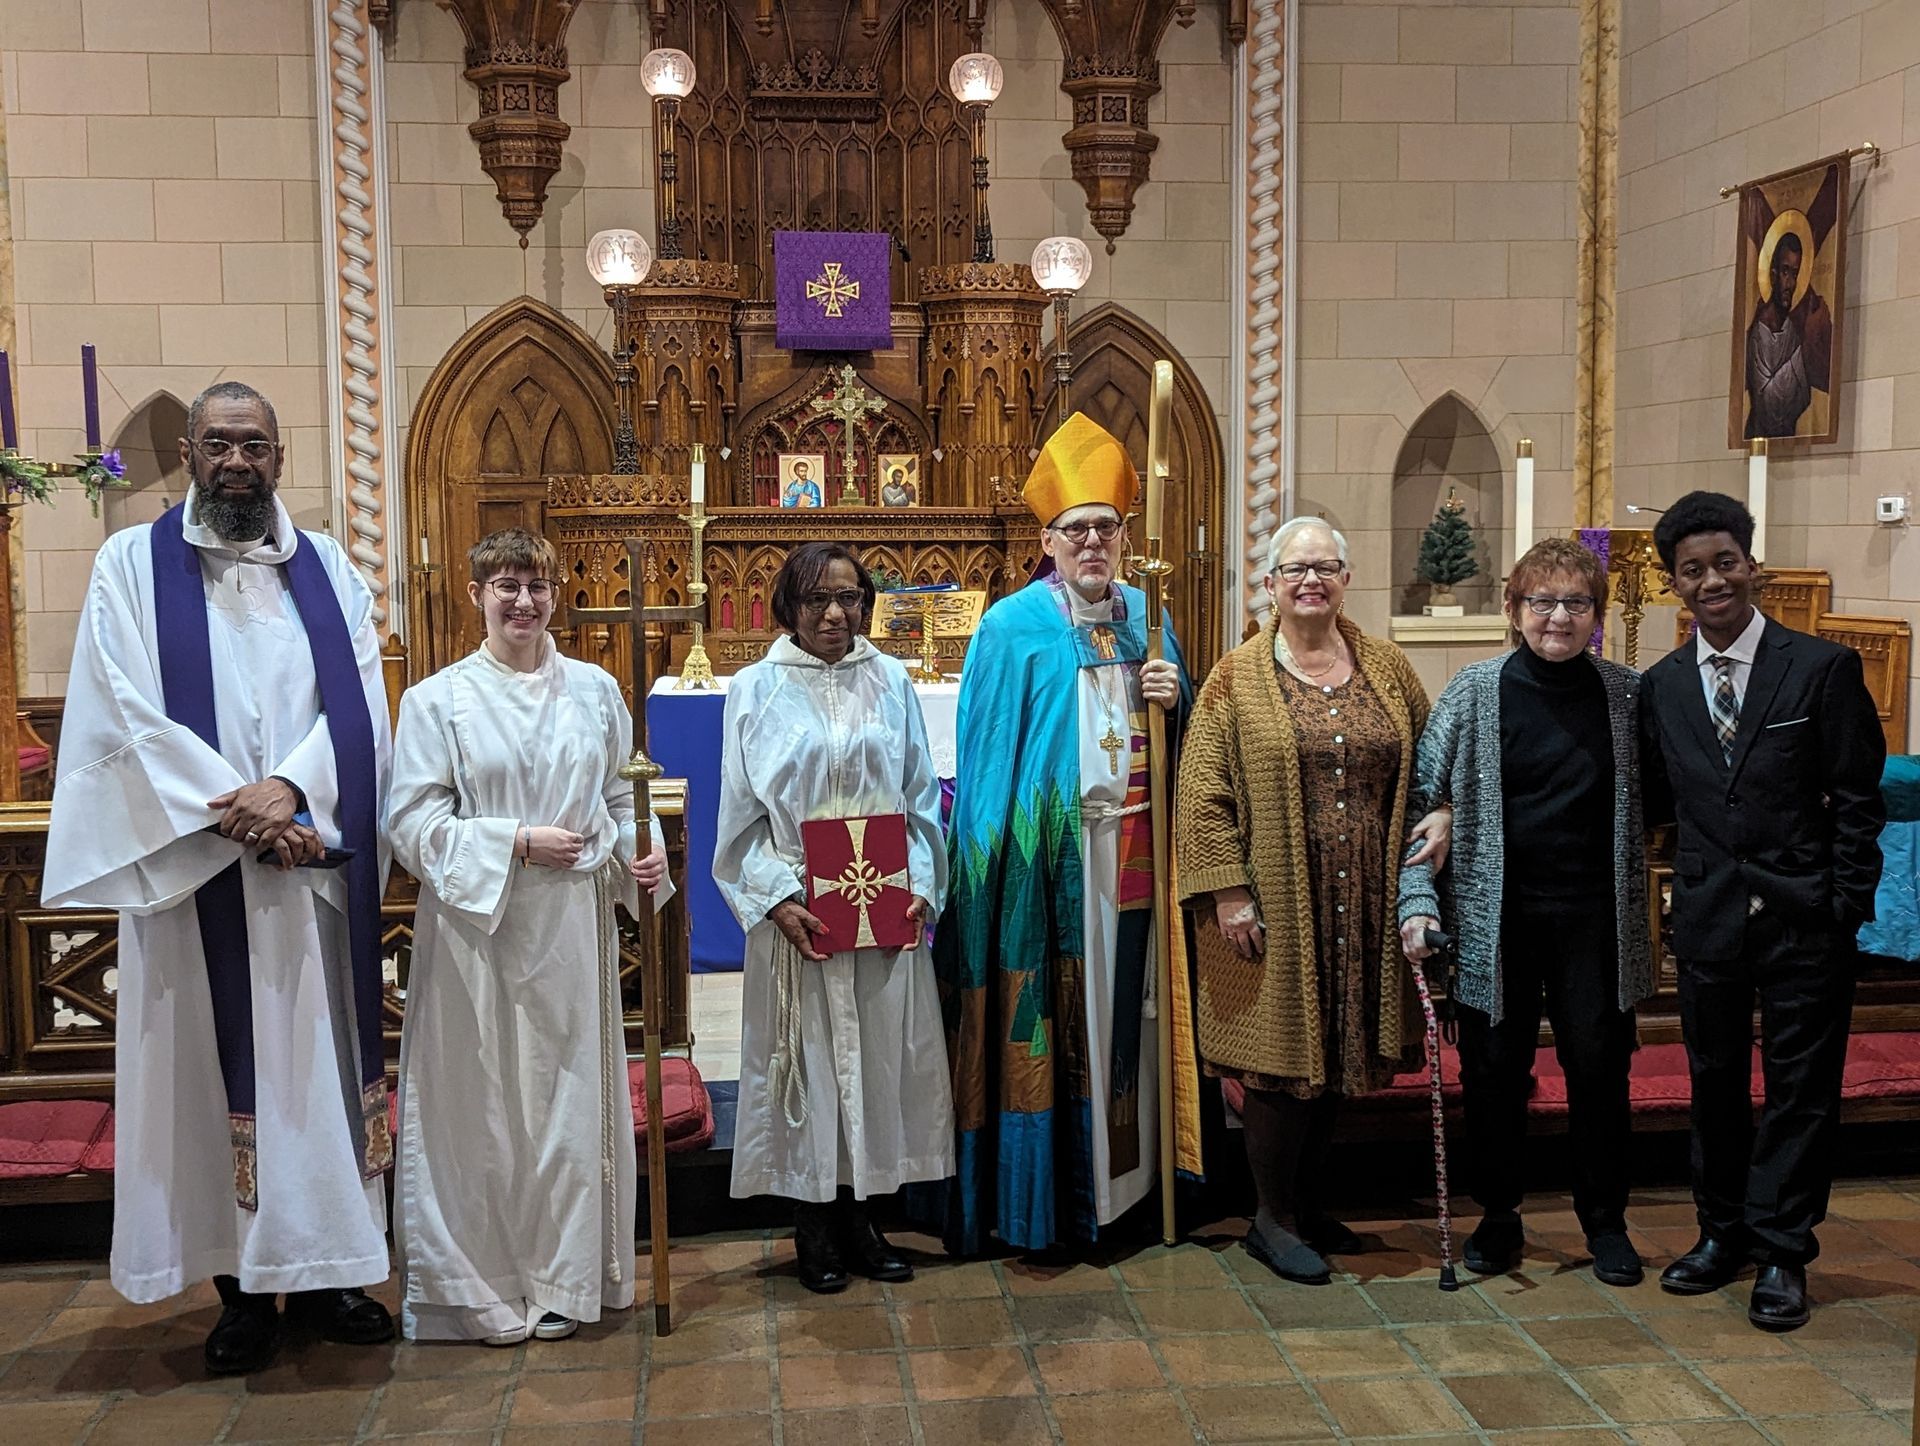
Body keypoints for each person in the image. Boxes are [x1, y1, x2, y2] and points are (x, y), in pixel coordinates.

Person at [42, 380, 394, 1374]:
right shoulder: (131, 569)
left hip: (307, 879)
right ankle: (239, 1291)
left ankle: (330, 1273)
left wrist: (290, 792)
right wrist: (234, 812)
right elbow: (122, 712)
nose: (238, 463)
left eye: (255, 446)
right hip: (198, 881)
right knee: (209, 1084)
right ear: (190, 454)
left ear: (280, 457)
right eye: (219, 445)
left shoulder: (328, 570)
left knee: (314, 1081)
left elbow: (362, 705)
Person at [386, 528, 673, 1345]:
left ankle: (565, 1276)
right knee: (482, 1108)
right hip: (480, 934)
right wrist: (514, 841)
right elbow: (410, 820)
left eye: (537, 585)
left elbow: (622, 803)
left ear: (556, 595)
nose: (523, 601)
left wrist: (640, 855)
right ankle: (480, 1285)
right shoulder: (437, 700)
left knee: (566, 1107)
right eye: (505, 585)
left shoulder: (595, 691)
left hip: (571, 933)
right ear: (475, 594)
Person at [935, 413, 1196, 1255]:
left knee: (1137, 1012)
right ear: (1045, 539)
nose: (1093, 543)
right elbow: (984, 761)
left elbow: (1190, 741)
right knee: (1055, 1015)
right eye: (1075, 529)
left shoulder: (1150, 616)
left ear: (1124, 535)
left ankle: (1134, 1189)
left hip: (1137, 851)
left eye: (1106, 528)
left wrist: (1174, 694)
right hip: (1051, 862)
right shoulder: (1011, 628)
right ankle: (1053, 1199)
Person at [1176, 517, 1446, 1285]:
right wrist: (1229, 891)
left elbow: (1427, 763)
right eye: (1294, 570)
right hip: (1273, 901)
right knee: (1279, 1061)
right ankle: (1272, 1217)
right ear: (1269, 585)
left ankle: (1307, 1201)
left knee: (1338, 1048)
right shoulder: (1235, 677)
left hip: (1364, 896)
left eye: (1325, 567)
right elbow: (1203, 796)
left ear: (1345, 579)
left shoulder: (1387, 668)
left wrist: (1445, 814)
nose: (1310, 581)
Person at [1640, 491, 1885, 1331]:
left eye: (1725, 563)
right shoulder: (1662, 686)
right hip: (1709, 916)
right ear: (1674, 584)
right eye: (1692, 570)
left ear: (1752, 564)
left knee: (1800, 1089)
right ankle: (1723, 1235)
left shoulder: (1820, 668)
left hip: (1804, 916)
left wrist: (1845, 904)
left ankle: (1783, 1250)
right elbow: (1653, 800)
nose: (1712, 581)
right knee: (1712, 1082)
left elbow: (1858, 798)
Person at [1399, 537, 1652, 1287]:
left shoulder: (1629, 695)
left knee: (1601, 1074)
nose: (1558, 618)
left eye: (1576, 603)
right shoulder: (1474, 692)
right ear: (1513, 610)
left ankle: (1605, 1221)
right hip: (1494, 924)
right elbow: (1419, 805)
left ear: (1597, 616)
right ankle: (1499, 1214)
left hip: (1595, 923)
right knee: (1496, 1074)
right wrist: (1421, 898)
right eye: (1541, 602)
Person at [715, 541, 952, 1293]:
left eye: (848, 598)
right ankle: (811, 1226)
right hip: (803, 918)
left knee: (878, 1068)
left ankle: (864, 1219)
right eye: (817, 598)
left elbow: (920, 799)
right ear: (788, 605)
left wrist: (918, 882)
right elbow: (741, 820)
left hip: (880, 912)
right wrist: (780, 899)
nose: (834, 613)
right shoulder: (755, 690)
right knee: (809, 1068)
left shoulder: (892, 682)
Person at [1744, 231, 1831, 440]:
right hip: (1760, 438)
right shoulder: (1760, 330)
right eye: (1785, 272)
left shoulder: (1791, 327)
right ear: (1772, 275)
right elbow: (1767, 404)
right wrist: (1799, 353)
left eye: (1795, 273)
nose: (1790, 284)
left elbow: (1804, 396)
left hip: (1787, 436)